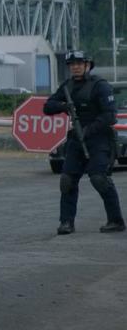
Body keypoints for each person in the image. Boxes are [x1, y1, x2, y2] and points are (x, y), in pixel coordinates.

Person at [44, 50, 125, 235]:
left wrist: (89, 129)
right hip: (76, 139)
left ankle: (115, 220)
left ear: (88, 65)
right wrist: (64, 106)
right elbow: (47, 107)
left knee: (99, 178)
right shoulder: (67, 86)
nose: (76, 67)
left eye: (80, 63)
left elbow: (110, 116)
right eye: (72, 64)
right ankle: (66, 223)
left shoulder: (100, 86)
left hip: (99, 138)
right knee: (67, 180)